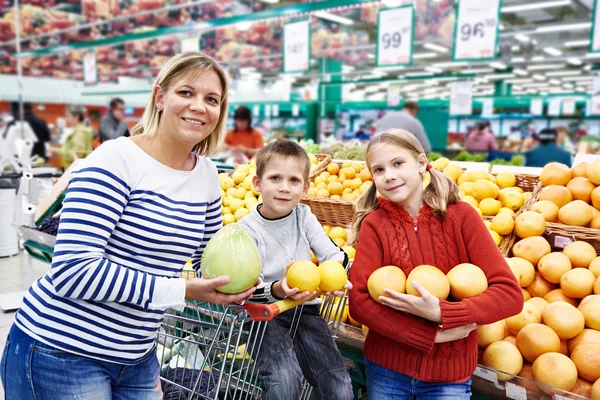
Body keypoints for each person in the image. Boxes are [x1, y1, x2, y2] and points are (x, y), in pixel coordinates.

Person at [1, 52, 256, 400]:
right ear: (160, 97)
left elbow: (210, 264)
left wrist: (272, 287)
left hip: (136, 355)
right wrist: (181, 290)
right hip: (62, 351)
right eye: (186, 93)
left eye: (212, 99)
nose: (199, 106)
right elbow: (73, 270)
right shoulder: (116, 159)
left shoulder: (208, 175)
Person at [348, 129, 523, 399]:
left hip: (448, 375)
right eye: (379, 170)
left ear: (420, 163)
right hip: (387, 369)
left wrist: (443, 313)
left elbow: (510, 295)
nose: (389, 175)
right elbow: (359, 303)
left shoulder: (462, 217)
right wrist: (428, 335)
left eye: (398, 163)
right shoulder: (375, 225)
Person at [237, 140, 354, 400]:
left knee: (337, 383)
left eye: (293, 180)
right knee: (284, 381)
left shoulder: (305, 216)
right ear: (257, 183)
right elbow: (246, 289)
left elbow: (334, 253)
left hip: (306, 310)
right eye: (275, 178)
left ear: (305, 187)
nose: (284, 188)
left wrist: (336, 274)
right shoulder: (247, 230)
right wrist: (278, 289)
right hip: (264, 316)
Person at [58, 105, 94, 170]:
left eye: (68, 116)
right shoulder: (80, 130)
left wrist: (58, 151)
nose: (66, 119)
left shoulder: (80, 132)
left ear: (76, 116)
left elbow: (77, 154)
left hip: (73, 170)